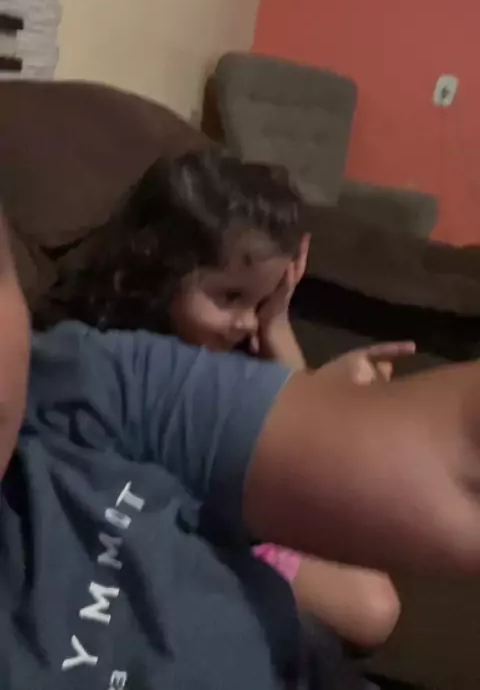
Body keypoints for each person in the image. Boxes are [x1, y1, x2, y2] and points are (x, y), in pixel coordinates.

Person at [5, 202, 480, 689]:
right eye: (230, 297)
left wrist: (311, 382)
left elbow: (450, 453)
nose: (245, 324)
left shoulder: (80, 382)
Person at [36, 149, 407, 650]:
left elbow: (310, 459)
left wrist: (277, 326)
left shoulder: (219, 342)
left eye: (260, 301)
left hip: (229, 511)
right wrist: (319, 398)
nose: (246, 322)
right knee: (371, 607)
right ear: (159, 269)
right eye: (230, 297)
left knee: (369, 570)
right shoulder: (113, 364)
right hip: (173, 528)